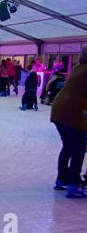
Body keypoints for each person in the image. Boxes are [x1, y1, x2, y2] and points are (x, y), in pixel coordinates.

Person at [50, 46, 87, 198]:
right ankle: (73, 185)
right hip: (72, 111)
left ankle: (62, 180)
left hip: (58, 109)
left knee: (68, 145)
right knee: (79, 148)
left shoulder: (78, 68)